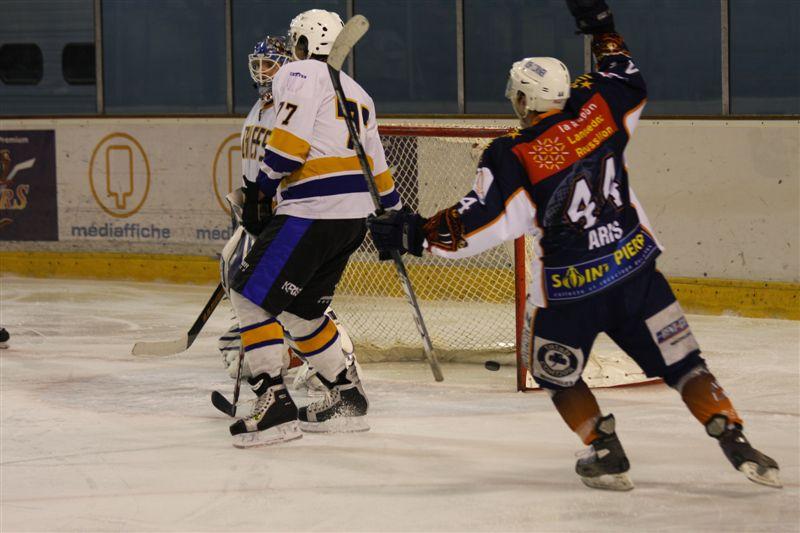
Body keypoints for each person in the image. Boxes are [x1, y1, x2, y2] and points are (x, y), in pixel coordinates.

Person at [367, 0, 780, 490]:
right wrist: (602, 28)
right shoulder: (599, 109)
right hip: (637, 275)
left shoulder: (514, 153)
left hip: (570, 295)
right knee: (685, 364)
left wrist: (414, 233)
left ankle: (605, 449)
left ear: (524, 101)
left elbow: (478, 223)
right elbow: (625, 75)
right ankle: (734, 437)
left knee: (554, 372)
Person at [226, 9, 401, 447]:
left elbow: (289, 146)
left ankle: (273, 406)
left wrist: (261, 192)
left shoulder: (298, 73)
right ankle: (347, 397)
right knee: (301, 313)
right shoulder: (358, 92)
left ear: (302, 43)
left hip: (311, 212)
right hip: (351, 220)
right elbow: (378, 165)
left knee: (249, 296)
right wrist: (393, 214)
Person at [217, 35, 330, 398]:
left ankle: (330, 363)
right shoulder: (259, 106)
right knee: (237, 274)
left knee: (295, 297)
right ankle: (269, 352)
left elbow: (292, 159)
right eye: (259, 65)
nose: (263, 72)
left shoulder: (290, 105)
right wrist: (247, 201)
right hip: (259, 213)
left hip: (287, 215)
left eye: (270, 65)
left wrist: (275, 202)